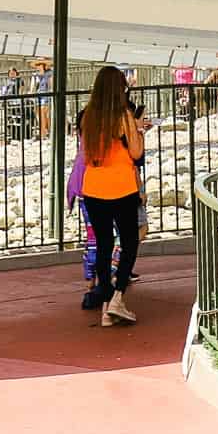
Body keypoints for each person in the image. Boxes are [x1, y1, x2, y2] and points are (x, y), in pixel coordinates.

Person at [77, 65, 146, 326]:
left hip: (94, 188)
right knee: (129, 242)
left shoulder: (87, 117)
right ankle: (118, 297)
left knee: (103, 246)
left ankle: (105, 303)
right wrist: (138, 130)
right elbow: (136, 153)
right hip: (122, 186)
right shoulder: (123, 116)